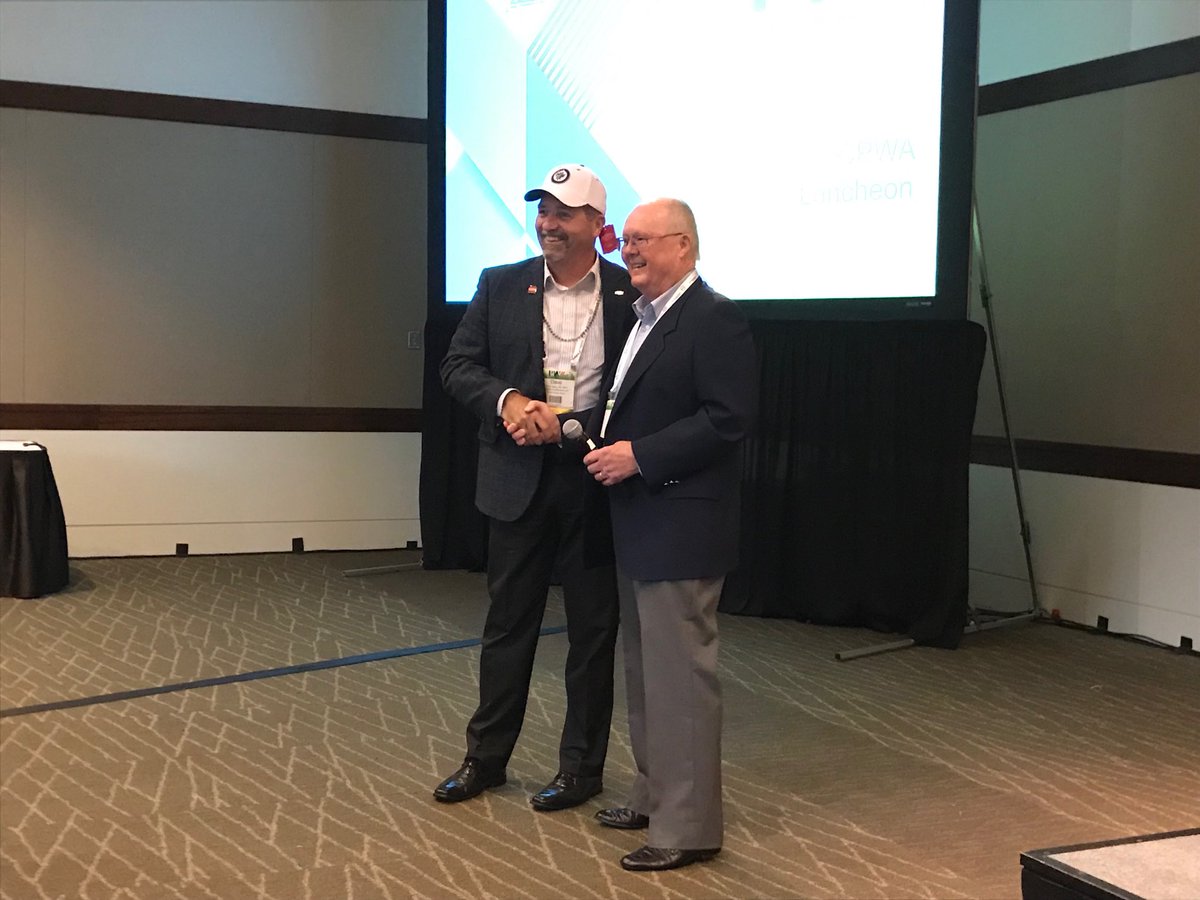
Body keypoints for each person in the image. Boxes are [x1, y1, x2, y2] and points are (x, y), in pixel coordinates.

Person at [436, 164, 635, 811]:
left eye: (562, 213)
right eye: (542, 210)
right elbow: (458, 366)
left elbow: (642, 388)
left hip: (594, 479)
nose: (547, 223)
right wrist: (509, 402)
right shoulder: (500, 284)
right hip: (516, 478)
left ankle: (581, 769)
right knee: (507, 626)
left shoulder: (629, 295)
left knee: (592, 632)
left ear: (595, 224)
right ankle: (485, 758)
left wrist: (573, 426)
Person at [582, 198, 757, 871]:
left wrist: (640, 455)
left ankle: (688, 829)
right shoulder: (642, 317)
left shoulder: (713, 318)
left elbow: (728, 418)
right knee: (646, 670)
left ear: (683, 245)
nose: (628, 250)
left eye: (642, 239)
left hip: (682, 522)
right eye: (624, 239)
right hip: (640, 520)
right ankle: (655, 796)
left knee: (680, 680)